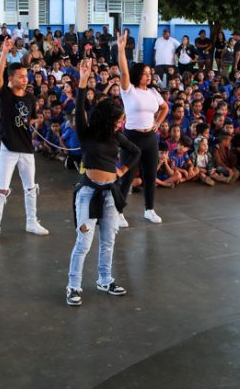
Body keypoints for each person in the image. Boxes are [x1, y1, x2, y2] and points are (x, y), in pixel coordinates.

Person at [65, 58, 141, 306]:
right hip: (88, 193)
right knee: (83, 243)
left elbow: (136, 151)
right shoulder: (86, 133)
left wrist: (123, 170)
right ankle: (73, 286)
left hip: (110, 194)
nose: (121, 123)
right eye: (118, 119)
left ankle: (105, 279)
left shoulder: (115, 136)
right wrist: (83, 80)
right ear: (108, 118)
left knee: (108, 241)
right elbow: (79, 107)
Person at [0, 37, 49, 245]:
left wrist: (35, 122)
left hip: (27, 148)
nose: (25, 79)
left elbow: (29, 118)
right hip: (8, 148)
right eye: (21, 76)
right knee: (2, 188)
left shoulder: (30, 98)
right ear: (12, 78)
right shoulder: (5, 94)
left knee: (31, 187)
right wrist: (5, 52)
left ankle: (31, 221)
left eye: (26, 76)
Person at [116, 30, 168, 226]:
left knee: (150, 175)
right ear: (138, 74)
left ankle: (149, 209)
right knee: (127, 176)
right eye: (146, 73)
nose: (149, 75)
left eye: (150, 73)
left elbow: (164, 108)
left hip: (150, 138)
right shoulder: (129, 90)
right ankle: (119, 212)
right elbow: (124, 71)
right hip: (132, 137)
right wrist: (121, 50)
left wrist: (158, 123)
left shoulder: (154, 92)